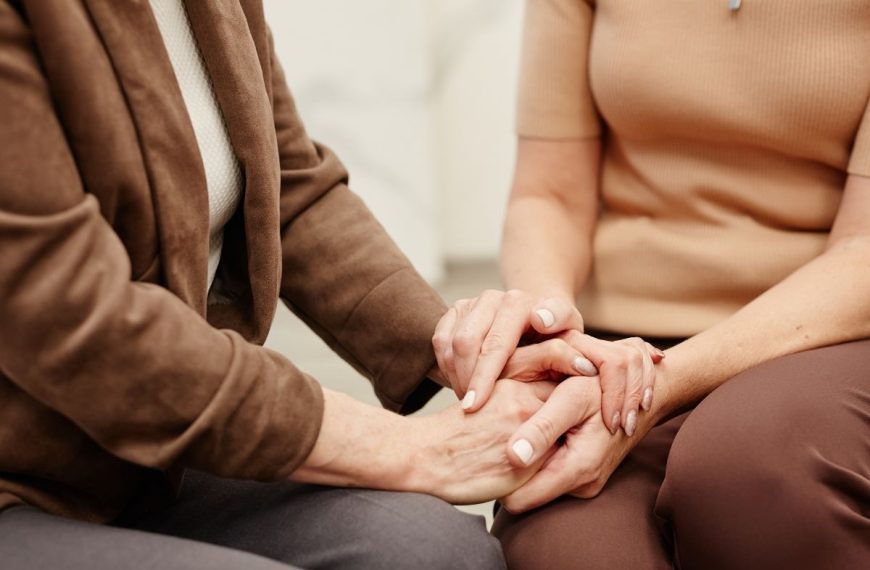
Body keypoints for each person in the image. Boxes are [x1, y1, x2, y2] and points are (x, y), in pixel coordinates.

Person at [0, 1, 586, 568]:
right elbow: (71, 315)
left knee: (435, 553)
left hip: (151, 462)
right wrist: (408, 447)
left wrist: (470, 348)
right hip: (25, 480)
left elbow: (285, 184)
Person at [434, 1, 870, 568]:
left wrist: (660, 385)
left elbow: (862, 251)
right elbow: (549, 195)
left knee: (746, 471)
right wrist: (555, 340)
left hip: (824, 337)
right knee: (560, 549)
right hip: (617, 350)